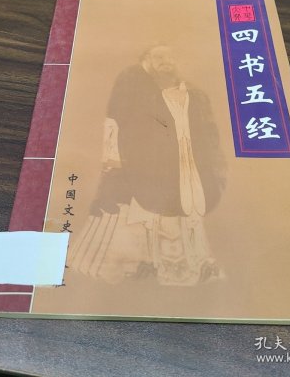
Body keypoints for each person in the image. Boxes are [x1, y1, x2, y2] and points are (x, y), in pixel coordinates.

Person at [69, 44, 226, 286]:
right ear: (146, 58)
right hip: (131, 158)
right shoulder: (131, 78)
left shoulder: (174, 85)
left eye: (170, 56)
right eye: (159, 56)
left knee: (171, 212)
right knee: (126, 213)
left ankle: (173, 266)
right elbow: (115, 120)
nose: (166, 61)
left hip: (161, 162)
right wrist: (114, 156)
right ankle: (124, 267)